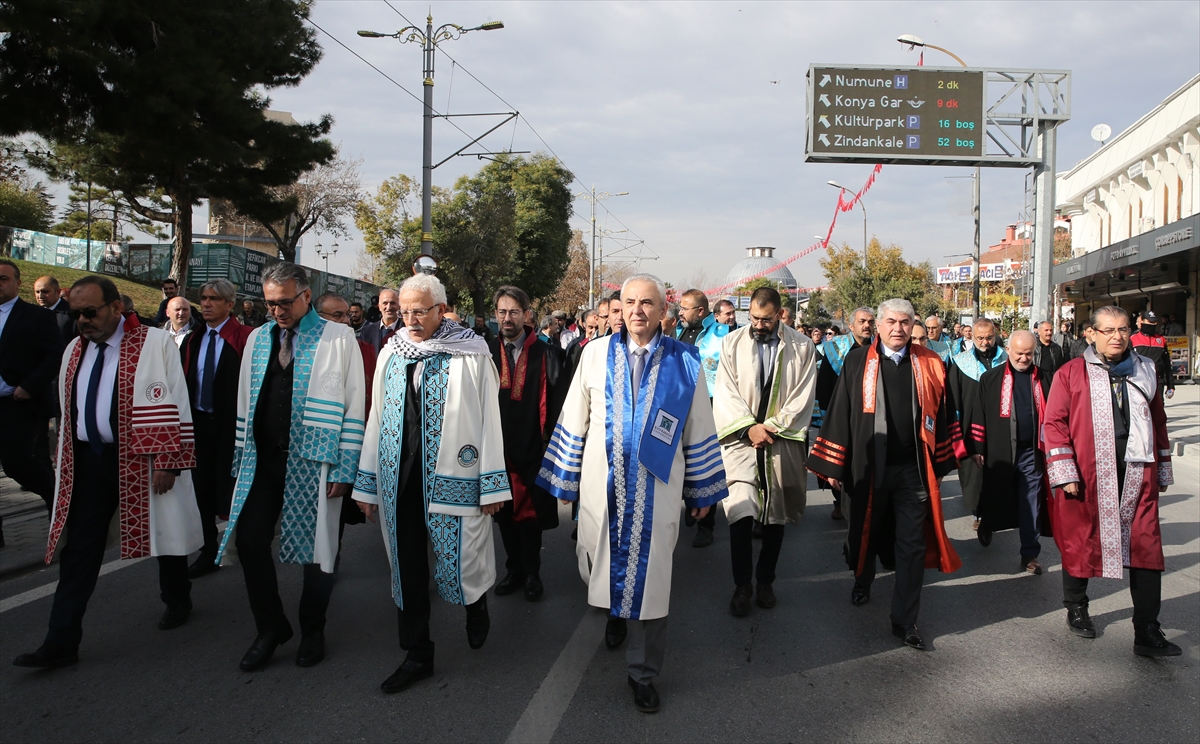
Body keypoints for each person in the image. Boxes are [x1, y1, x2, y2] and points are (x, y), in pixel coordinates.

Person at [536, 273, 728, 713]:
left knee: (653, 580)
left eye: (647, 303)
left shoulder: (685, 361)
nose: (637, 310)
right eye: (630, 302)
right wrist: (565, 479)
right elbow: (575, 415)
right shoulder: (595, 353)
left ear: (663, 311)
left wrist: (702, 492)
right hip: (601, 486)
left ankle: (643, 673)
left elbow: (698, 426)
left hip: (658, 490)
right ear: (619, 308)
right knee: (598, 560)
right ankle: (616, 614)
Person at [13, 275, 201, 669]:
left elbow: (176, 399)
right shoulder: (73, 350)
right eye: (76, 313)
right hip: (89, 463)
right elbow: (69, 409)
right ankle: (60, 641)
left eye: (90, 312)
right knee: (80, 551)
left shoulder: (154, 343)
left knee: (162, 533)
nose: (83, 320)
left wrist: (169, 460)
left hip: (142, 459)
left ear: (116, 307)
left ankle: (177, 596)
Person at [352, 273, 509, 694]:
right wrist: (367, 485)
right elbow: (376, 417)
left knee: (463, 555)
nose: (410, 320)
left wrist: (492, 484)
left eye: (419, 311)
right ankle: (417, 653)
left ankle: (475, 606)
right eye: (405, 312)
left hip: (455, 473)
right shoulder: (392, 352)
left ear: (441, 309)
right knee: (407, 566)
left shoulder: (471, 353)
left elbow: (489, 419)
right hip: (399, 476)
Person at [216, 262, 365, 672]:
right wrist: (240, 457)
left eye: (284, 302)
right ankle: (270, 627)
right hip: (263, 460)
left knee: (318, 551)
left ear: (305, 296)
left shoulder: (338, 337)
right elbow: (245, 399)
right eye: (269, 304)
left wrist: (345, 468)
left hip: (316, 460)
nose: (277, 311)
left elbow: (354, 404)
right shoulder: (258, 338)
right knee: (250, 542)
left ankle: (313, 629)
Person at [807, 298, 964, 652]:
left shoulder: (931, 363)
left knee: (912, 544)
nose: (898, 328)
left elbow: (942, 415)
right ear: (878, 325)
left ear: (913, 325)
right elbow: (841, 411)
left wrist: (940, 466)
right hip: (867, 467)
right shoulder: (857, 361)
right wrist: (834, 465)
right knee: (864, 532)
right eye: (891, 321)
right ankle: (862, 580)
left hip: (913, 469)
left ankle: (905, 620)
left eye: (905, 322)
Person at [1042, 306, 1179, 657]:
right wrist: (1065, 471)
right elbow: (1054, 423)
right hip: (1086, 472)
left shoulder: (1146, 369)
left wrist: (1163, 467)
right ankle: (1076, 607)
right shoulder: (1071, 373)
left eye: (1122, 329)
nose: (1117, 336)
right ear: (1093, 334)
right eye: (1108, 330)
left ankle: (1147, 629)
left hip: (1138, 470)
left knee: (1146, 545)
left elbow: (1158, 420)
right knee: (1080, 538)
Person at [712, 288, 816, 616]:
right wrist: (749, 428)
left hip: (780, 440)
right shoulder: (732, 343)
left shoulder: (802, 346)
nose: (759, 325)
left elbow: (803, 396)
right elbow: (725, 391)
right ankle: (742, 585)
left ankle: (766, 581)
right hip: (741, 440)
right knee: (740, 511)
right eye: (754, 318)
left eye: (766, 319)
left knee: (775, 513)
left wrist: (770, 427)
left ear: (780, 315)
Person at [489, 286, 566, 601]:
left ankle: (533, 573)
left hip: (535, 448)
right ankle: (514, 570)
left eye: (514, 312)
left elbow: (559, 405)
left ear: (527, 314)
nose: (507, 318)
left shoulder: (547, 354)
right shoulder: (484, 353)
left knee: (530, 516)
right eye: (502, 312)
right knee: (503, 514)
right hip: (495, 449)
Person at [179, 279, 254, 579]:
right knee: (201, 491)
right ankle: (207, 550)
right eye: (203, 299)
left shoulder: (246, 338)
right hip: (199, 426)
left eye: (214, 299)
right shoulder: (192, 340)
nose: (206, 304)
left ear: (230, 304)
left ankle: (247, 546)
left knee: (235, 488)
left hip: (232, 429)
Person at [966, 330, 1052, 573]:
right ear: (1008, 351)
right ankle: (986, 522)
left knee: (1031, 502)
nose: (1024, 358)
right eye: (1019, 353)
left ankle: (1030, 553)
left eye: (1029, 354)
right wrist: (977, 447)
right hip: (999, 450)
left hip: (1031, 452)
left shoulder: (1045, 378)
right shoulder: (991, 379)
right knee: (995, 494)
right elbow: (979, 413)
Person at [314, 292, 377, 557]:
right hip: (314, 442)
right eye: (337, 315)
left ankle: (330, 557)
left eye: (347, 315)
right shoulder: (311, 348)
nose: (345, 321)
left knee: (336, 506)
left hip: (351, 437)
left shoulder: (364, 349)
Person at [0, 260, 63, 524]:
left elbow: (54, 355)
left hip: (19, 403)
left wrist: (29, 386)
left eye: (4, 279)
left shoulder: (36, 316)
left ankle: (58, 503)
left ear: (18, 283)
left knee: (18, 464)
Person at [814, 307, 876, 521]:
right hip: (839, 411)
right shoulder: (834, 348)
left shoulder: (879, 348)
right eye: (862, 321)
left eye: (870, 322)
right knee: (839, 457)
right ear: (851, 326)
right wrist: (825, 416)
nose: (867, 326)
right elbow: (824, 383)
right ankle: (839, 501)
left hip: (868, 414)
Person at [949, 318, 1007, 532]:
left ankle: (996, 511)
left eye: (989, 337)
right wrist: (955, 432)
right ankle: (978, 514)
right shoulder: (960, 363)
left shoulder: (1007, 360)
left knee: (999, 470)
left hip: (999, 426)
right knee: (974, 474)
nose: (985, 342)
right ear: (972, 337)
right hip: (969, 426)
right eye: (980, 338)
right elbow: (954, 399)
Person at [1131, 311, 1174, 400]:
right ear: (1142, 321)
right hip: (1139, 379)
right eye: (1150, 321)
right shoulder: (1132, 339)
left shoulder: (1161, 340)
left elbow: (1166, 363)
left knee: (1159, 405)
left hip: (1158, 379)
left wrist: (1170, 385)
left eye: (1154, 322)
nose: (1152, 324)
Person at [34, 275, 77, 345]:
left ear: (58, 292)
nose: (40, 296)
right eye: (37, 292)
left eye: (45, 292)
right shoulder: (33, 313)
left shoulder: (72, 314)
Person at [358, 288, 401, 355]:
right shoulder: (367, 331)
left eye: (392, 303)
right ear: (379, 306)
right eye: (385, 303)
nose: (389, 307)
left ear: (399, 306)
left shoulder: (406, 331)